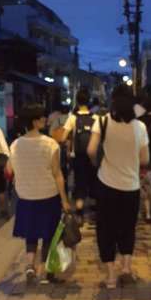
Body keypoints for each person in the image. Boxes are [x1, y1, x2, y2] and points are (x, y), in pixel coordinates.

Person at [88, 84, 150, 289]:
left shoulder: (102, 121)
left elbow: (91, 150)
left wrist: (98, 164)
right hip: (131, 187)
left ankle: (111, 277)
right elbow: (145, 159)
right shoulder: (140, 127)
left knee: (106, 229)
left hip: (106, 184)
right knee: (127, 228)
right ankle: (126, 269)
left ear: (112, 101)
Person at [7, 103, 70, 283]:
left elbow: (10, 170)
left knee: (31, 234)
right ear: (34, 121)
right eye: (42, 117)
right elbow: (57, 174)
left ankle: (29, 266)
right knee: (49, 235)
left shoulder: (15, 145)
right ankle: (45, 271)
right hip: (48, 196)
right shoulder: (50, 144)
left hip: (26, 197)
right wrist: (64, 200)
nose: (45, 119)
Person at [62, 88, 97, 223]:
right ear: (89, 101)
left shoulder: (72, 118)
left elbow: (63, 137)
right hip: (93, 156)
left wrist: (69, 143)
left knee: (80, 182)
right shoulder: (96, 118)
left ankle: (79, 212)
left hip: (78, 156)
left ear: (77, 101)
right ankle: (94, 212)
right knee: (93, 181)